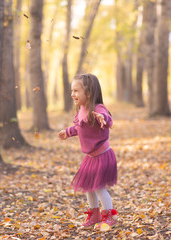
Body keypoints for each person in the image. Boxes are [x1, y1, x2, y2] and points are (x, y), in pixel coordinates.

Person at [58, 73, 118, 227]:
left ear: (89, 93)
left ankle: (109, 216)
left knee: (98, 187)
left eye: (76, 91)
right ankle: (94, 214)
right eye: (72, 91)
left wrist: (104, 119)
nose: (73, 94)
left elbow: (107, 119)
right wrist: (68, 132)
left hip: (103, 155)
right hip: (90, 158)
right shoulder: (81, 110)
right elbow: (79, 128)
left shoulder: (98, 108)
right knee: (88, 188)